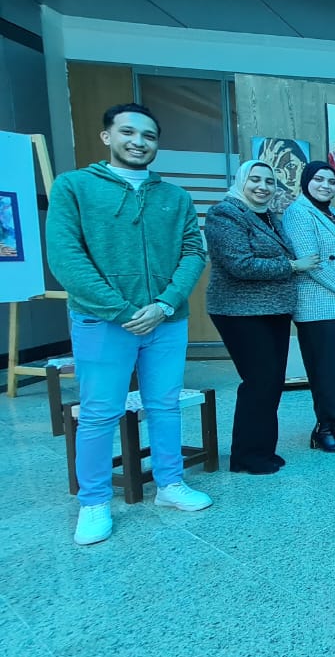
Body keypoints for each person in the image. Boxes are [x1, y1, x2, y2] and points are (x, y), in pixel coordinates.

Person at [47, 102, 212, 545]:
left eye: (149, 136)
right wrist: (121, 311)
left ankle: (170, 484)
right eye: (128, 132)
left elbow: (193, 253)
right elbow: (66, 257)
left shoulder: (175, 197)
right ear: (107, 137)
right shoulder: (74, 187)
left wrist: (165, 304)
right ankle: (94, 502)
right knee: (99, 412)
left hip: (166, 319)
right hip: (102, 321)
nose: (138, 142)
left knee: (165, 403)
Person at [205, 160, 319, 475]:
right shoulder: (225, 214)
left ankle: (262, 450)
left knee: (271, 383)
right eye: (255, 179)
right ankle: (247, 456)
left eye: (269, 181)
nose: (263, 187)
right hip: (240, 311)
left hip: (274, 310)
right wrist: (292, 266)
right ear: (241, 181)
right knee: (258, 382)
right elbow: (239, 264)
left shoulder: (269, 216)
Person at [283, 161, 335, 452]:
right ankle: (322, 430)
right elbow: (312, 262)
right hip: (318, 305)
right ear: (306, 181)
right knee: (325, 370)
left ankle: (333, 421)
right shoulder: (297, 213)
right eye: (319, 179)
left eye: (331, 181)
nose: (325, 186)